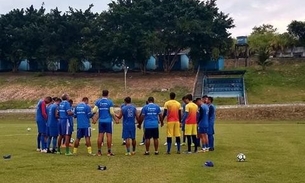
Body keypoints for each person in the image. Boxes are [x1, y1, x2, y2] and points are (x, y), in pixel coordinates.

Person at [92, 90, 116, 156]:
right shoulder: (109, 102)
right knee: (109, 136)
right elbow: (111, 112)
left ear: (102, 94)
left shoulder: (98, 101)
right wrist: (116, 119)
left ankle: (99, 152)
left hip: (101, 121)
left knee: (100, 136)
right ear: (108, 94)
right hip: (108, 121)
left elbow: (94, 111)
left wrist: (94, 119)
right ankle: (109, 152)